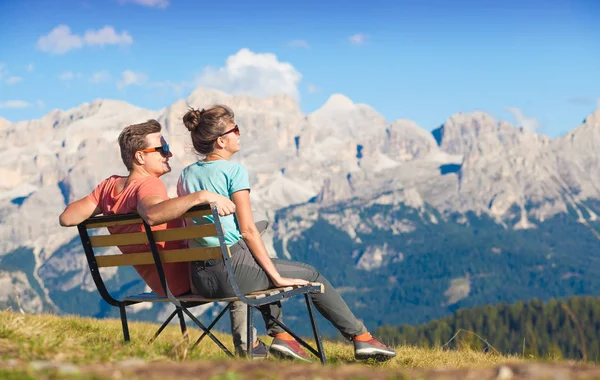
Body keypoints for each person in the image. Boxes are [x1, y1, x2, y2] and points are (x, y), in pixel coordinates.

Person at [177, 105, 397, 362]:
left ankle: (283, 338)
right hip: (233, 275)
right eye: (235, 129)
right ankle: (362, 339)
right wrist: (277, 277)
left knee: (261, 266)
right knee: (311, 275)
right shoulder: (233, 171)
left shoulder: (186, 174)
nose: (240, 133)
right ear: (221, 140)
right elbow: (247, 231)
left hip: (201, 278)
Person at [58, 119, 266, 357]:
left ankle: (252, 344)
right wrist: (201, 196)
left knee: (240, 245)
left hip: (159, 283)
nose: (169, 153)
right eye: (162, 150)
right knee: (241, 253)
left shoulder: (109, 187)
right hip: (189, 280)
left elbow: (67, 217)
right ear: (140, 157)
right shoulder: (148, 185)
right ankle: (250, 346)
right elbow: (152, 213)